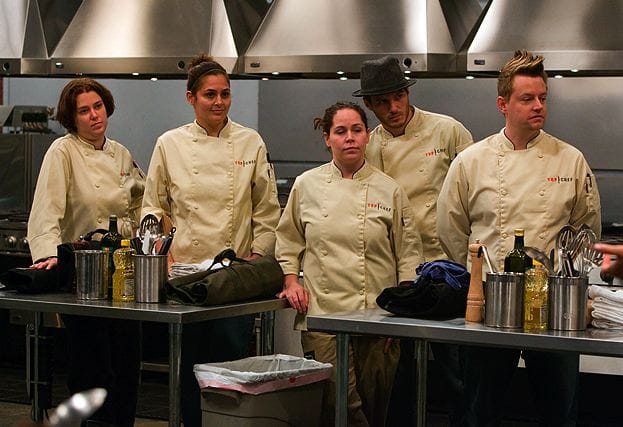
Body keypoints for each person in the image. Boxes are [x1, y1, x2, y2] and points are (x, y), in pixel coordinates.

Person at [437, 50, 601, 426]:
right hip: (491, 305)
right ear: (503, 104)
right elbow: (450, 230)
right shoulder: (471, 161)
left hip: (555, 307)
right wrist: (478, 281)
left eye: (542, 97)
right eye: (527, 98)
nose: (538, 106)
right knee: (480, 412)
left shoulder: (570, 160)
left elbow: (586, 231)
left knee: (559, 412)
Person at [140, 54, 281, 427]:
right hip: (185, 278)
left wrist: (257, 258)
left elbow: (267, 210)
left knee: (230, 367)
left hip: (233, 278)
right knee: (189, 367)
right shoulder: (169, 144)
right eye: (210, 95)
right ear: (191, 98)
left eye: (225, 94)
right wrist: (162, 257)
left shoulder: (250, 142)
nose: (219, 102)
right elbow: (153, 207)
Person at [275, 101, 423, 427]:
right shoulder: (307, 185)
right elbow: (288, 240)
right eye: (340, 131)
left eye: (357, 130)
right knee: (338, 403)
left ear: (367, 136)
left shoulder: (390, 190)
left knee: (375, 404)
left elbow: (409, 255)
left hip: (378, 317)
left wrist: (400, 314)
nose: (350, 138)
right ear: (327, 138)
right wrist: (291, 280)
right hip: (323, 315)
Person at [353, 55, 473, 425]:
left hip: (448, 272)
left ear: (408, 94)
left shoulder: (448, 131)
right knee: (400, 374)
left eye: (399, 97)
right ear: (369, 105)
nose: (394, 108)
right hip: (399, 276)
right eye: (383, 102)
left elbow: (473, 193)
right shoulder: (368, 146)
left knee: (457, 371)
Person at [27, 78, 146, 427]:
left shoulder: (120, 153)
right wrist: (48, 257)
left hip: (123, 275)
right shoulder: (62, 151)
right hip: (83, 278)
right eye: (84, 111)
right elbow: (46, 210)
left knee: (126, 366)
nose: (94, 116)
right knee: (92, 368)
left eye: (98, 107)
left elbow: (141, 203)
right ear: (72, 118)